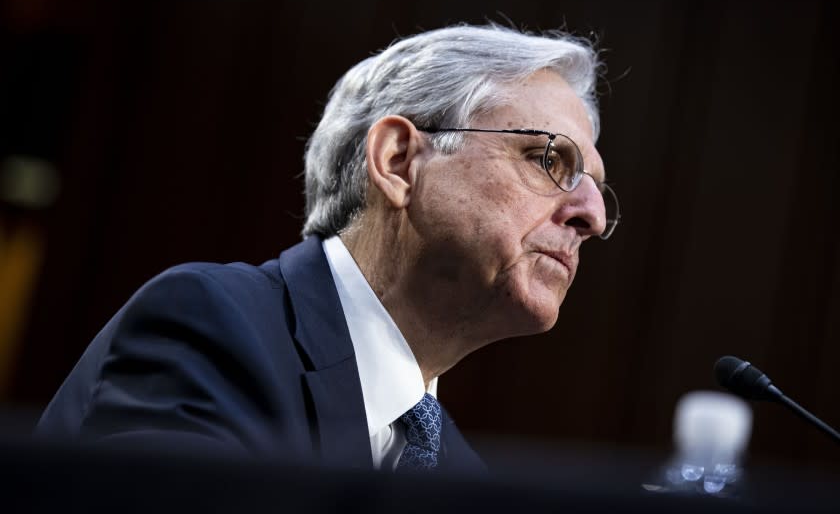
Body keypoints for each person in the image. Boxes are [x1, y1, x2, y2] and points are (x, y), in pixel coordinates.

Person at [36, 24, 619, 472]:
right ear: (398, 161)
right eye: (550, 160)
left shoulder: (458, 474)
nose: (590, 215)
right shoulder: (211, 326)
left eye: (594, 187)